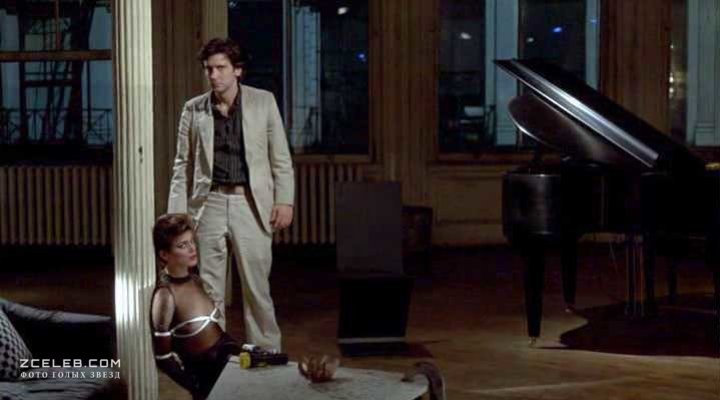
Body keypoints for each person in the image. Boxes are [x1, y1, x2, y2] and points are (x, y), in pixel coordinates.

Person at [167, 37, 294, 351]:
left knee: (256, 287)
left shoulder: (263, 101)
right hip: (208, 202)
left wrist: (284, 200)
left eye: (221, 68)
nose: (214, 75)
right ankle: (214, 353)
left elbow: (280, 157)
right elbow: (182, 165)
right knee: (210, 289)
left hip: (250, 203)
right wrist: (177, 218)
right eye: (209, 69)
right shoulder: (193, 109)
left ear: (237, 70)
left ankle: (267, 353)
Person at [150, 213, 240, 399]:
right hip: (207, 373)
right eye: (182, 245)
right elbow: (163, 358)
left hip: (229, 357)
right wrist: (194, 386)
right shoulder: (166, 295)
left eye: (192, 241)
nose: (192, 249)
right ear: (164, 254)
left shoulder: (196, 280)